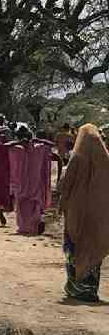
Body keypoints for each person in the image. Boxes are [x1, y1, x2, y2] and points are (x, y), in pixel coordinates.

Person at [58, 124, 109, 303]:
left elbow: (64, 183)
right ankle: (90, 289)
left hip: (76, 212)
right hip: (99, 215)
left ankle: (76, 287)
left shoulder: (76, 158)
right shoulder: (106, 159)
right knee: (93, 245)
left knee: (76, 245)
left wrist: (62, 203)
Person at [7, 126, 52, 235]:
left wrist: (36, 140)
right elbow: (5, 145)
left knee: (30, 206)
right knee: (25, 206)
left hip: (28, 183)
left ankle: (30, 227)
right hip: (29, 183)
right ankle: (26, 227)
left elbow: (6, 145)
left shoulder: (37, 148)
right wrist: (21, 142)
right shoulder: (20, 149)